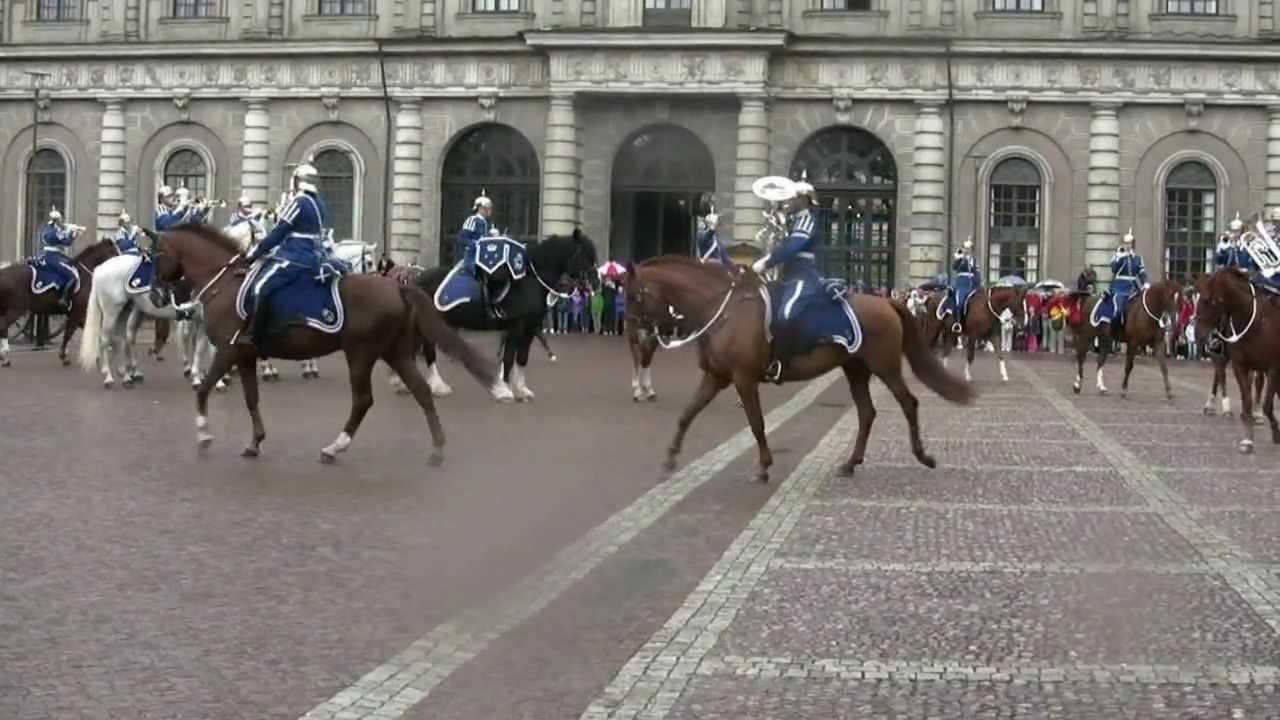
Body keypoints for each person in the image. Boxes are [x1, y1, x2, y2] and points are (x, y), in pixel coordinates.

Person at [233, 163, 328, 352]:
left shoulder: (299, 202)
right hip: (314, 254)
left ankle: (254, 336)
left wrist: (254, 254)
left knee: (260, 287)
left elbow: (279, 232)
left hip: (296, 255)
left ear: (297, 181)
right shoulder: (320, 204)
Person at [752, 175, 823, 384]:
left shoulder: (806, 219)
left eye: (791, 199)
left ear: (803, 200)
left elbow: (793, 247)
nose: (787, 202)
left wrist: (767, 262)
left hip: (802, 275)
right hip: (786, 275)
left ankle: (782, 363)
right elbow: (780, 243)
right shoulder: (790, 221)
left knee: (786, 314)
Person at [35, 208, 81, 310]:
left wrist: (70, 232)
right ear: (56, 220)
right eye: (60, 219)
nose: (61, 221)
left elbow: (62, 237)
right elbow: (67, 242)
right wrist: (73, 234)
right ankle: (63, 298)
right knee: (73, 275)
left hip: (56, 254)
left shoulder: (50, 228)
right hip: (52, 256)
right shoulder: (53, 230)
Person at [1108, 228, 1148, 327]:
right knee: (1118, 310)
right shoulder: (1118, 256)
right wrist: (1121, 256)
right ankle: (1115, 330)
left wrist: (1146, 283)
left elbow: (1142, 273)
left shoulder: (1138, 258)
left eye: (1130, 243)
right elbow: (1114, 269)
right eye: (1126, 243)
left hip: (1133, 288)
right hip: (1119, 287)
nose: (1128, 246)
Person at [946, 237, 979, 334]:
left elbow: (976, 273)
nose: (968, 251)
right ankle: (957, 323)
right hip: (962, 285)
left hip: (972, 285)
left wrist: (978, 284)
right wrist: (961, 259)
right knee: (959, 303)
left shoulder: (973, 260)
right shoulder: (960, 259)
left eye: (970, 249)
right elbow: (954, 267)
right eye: (966, 249)